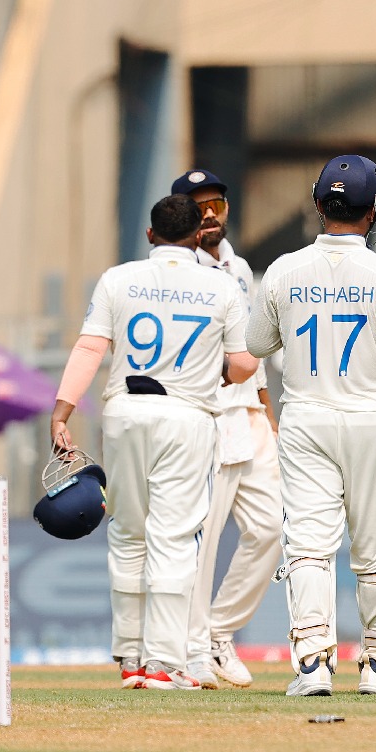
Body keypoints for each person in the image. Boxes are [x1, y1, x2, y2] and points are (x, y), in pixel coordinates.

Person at [49, 195, 258, 691]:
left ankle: (130, 658)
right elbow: (244, 363)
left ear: (150, 236)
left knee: (127, 534)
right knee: (174, 538)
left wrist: (62, 411)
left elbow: (89, 348)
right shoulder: (220, 285)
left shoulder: (117, 279)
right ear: (197, 237)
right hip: (185, 417)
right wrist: (222, 371)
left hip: (124, 413)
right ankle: (166, 662)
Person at [245, 155, 376, 696]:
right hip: (373, 417)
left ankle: (311, 665)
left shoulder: (284, 269)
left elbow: (258, 344)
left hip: (307, 417)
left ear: (317, 204)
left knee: (308, 544)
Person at [166, 170, 284, 691]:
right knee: (203, 539)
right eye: (198, 205)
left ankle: (216, 632)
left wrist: (265, 403)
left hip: (249, 414)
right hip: (205, 416)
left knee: (271, 529)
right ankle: (190, 651)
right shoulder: (176, 271)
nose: (209, 212)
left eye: (216, 202)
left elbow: (252, 347)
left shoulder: (239, 267)